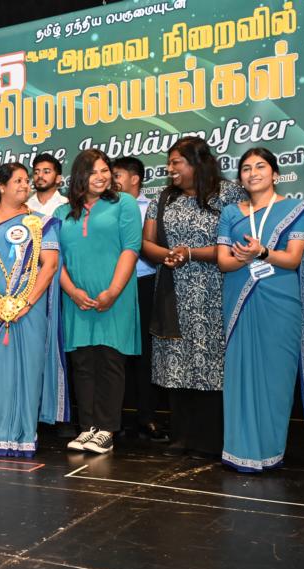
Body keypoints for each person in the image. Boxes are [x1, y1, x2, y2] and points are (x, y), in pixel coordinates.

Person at [217, 148, 304, 472]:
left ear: (275, 174)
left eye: (260, 166)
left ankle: (269, 451)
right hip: (240, 301)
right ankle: (239, 452)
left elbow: (293, 259)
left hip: (281, 301)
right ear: (240, 178)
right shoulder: (230, 213)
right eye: (246, 168)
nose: (252, 173)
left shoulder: (297, 209)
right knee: (241, 375)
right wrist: (244, 257)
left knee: (275, 379)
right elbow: (224, 262)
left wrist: (263, 252)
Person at [141, 136, 247, 459]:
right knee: (175, 364)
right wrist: (168, 255)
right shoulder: (163, 198)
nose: (170, 168)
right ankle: (182, 437)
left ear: (197, 163)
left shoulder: (229, 194)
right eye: (169, 163)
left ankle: (211, 440)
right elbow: (147, 244)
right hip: (172, 292)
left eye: (176, 162)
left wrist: (190, 253)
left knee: (211, 364)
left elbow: (237, 244)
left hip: (214, 291)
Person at [0, 165, 67, 455]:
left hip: (30, 310)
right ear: (1, 186)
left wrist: (26, 303)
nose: (25, 185)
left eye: (26, 180)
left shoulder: (40, 222)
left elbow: (50, 265)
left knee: (29, 370)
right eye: (18, 180)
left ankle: (24, 437)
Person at [56, 149, 141, 455]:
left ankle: (106, 429)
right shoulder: (62, 213)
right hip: (76, 300)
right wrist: (72, 291)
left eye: (105, 170)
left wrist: (113, 291)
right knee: (82, 364)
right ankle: (87, 428)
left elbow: (131, 248)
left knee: (109, 361)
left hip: (114, 297)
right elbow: (55, 260)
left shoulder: (124, 203)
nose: (101, 176)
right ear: (80, 175)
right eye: (93, 171)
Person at [112, 156, 168, 443]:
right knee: (116, 353)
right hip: (114, 286)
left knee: (146, 353)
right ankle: (115, 418)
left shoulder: (151, 208)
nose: (112, 180)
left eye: (117, 175)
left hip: (144, 284)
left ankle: (147, 416)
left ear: (135, 178)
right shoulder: (107, 208)